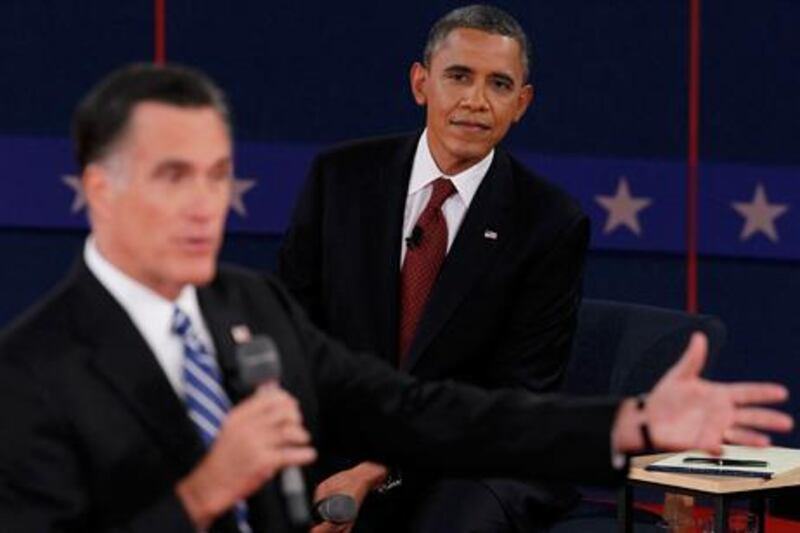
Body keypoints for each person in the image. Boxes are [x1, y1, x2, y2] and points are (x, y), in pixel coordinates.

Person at [0, 63, 791, 533]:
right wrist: (221, 485)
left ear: (523, 101)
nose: (204, 205)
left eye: (215, 176)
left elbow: (449, 410)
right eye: (174, 177)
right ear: (98, 190)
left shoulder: (249, 311)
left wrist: (635, 422)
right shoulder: (38, 375)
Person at [278, 5, 583, 532]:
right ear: (421, 83)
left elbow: (513, 398)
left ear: (522, 104)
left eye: (500, 85)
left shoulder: (549, 223)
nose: (475, 101)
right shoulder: (342, 180)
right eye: (459, 76)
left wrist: (379, 470)